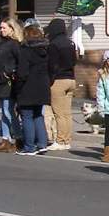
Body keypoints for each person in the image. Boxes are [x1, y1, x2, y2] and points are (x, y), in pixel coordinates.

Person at [14, 25, 52, 155]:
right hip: (42, 87)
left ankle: (29, 146)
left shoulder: (26, 50)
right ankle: (42, 143)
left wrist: (17, 86)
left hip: (28, 88)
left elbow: (22, 73)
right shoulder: (45, 50)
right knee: (38, 115)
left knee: (27, 116)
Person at [0, 18, 24, 153]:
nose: (2, 30)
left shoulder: (15, 44)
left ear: (12, 29)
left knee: (8, 110)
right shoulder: (0, 43)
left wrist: (10, 72)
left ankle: (19, 137)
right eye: (1, 27)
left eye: (4, 28)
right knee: (2, 112)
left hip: (9, 82)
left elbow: (20, 62)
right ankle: (6, 139)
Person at [45, 18, 77, 151]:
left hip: (58, 80)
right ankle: (67, 140)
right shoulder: (71, 43)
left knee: (59, 113)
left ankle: (60, 140)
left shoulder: (53, 44)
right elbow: (74, 61)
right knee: (67, 113)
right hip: (71, 79)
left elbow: (52, 65)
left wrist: (49, 80)